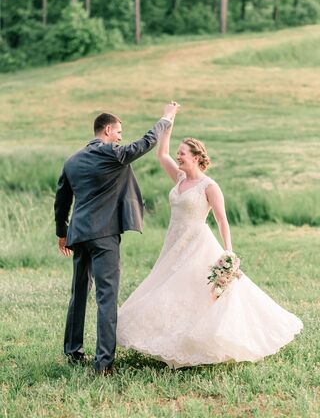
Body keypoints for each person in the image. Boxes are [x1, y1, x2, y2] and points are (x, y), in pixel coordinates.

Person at [117, 122, 303, 368]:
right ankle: (171, 340)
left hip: (198, 244)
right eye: (179, 153)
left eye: (182, 153)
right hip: (174, 242)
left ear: (195, 157)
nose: (178, 156)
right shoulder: (180, 177)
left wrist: (228, 252)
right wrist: (168, 121)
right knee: (170, 288)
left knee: (196, 291)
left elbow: (222, 220)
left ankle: (198, 342)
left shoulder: (210, 186)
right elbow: (162, 153)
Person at [54, 103, 179, 375]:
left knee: (79, 293)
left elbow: (62, 199)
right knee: (106, 297)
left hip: (79, 235)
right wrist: (166, 119)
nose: (121, 137)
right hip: (104, 236)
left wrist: (61, 233)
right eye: (119, 132)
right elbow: (145, 143)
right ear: (108, 130)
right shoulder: (111, 153)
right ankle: (103, 363)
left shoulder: (72, 160)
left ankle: (73, 351)